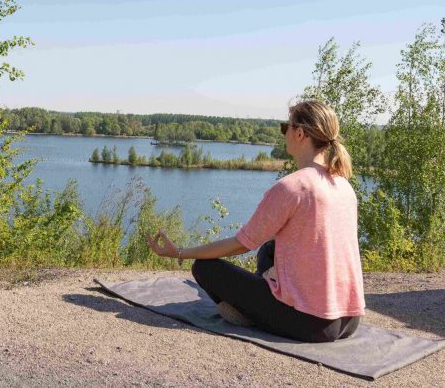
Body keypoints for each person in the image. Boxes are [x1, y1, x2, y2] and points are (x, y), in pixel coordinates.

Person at [146, 100, 365, 343]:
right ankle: (262, 302)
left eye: (286, 128)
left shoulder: (292, 187)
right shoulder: (344, 186)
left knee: (204, 267)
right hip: (349, 320)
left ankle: (248, 314)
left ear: (300, 133)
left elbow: (242, 243)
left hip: (312, 324)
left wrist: (178, 252)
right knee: (269, 250)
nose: (285, 134)